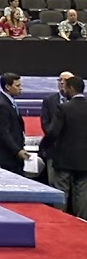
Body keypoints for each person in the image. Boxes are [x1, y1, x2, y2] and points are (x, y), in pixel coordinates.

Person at [46, 74, 87, 218]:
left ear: (71, 88)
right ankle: (82, 222)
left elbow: (53, 132)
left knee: (61, 191)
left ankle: (60, 220)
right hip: (84, 160)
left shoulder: (64, 108)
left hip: (64, 158)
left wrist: (43, 147)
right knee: (82, 193)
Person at [41, 72, 72, 206]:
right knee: (54, 183)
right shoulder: (49, 100)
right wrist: (53, 136)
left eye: (65, 80)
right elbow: (45, 122)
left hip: (72, 149)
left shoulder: (78, 102)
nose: (62, 82)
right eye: (60, 80)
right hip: (53, 148)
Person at [0, 72, 28, 174]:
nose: (21, 88)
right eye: (17, 86)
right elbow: (4, 132)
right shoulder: (2, 105)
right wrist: (17, 151)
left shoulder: (10, 102)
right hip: (6, 159)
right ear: (7, 87)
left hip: (12, 158)